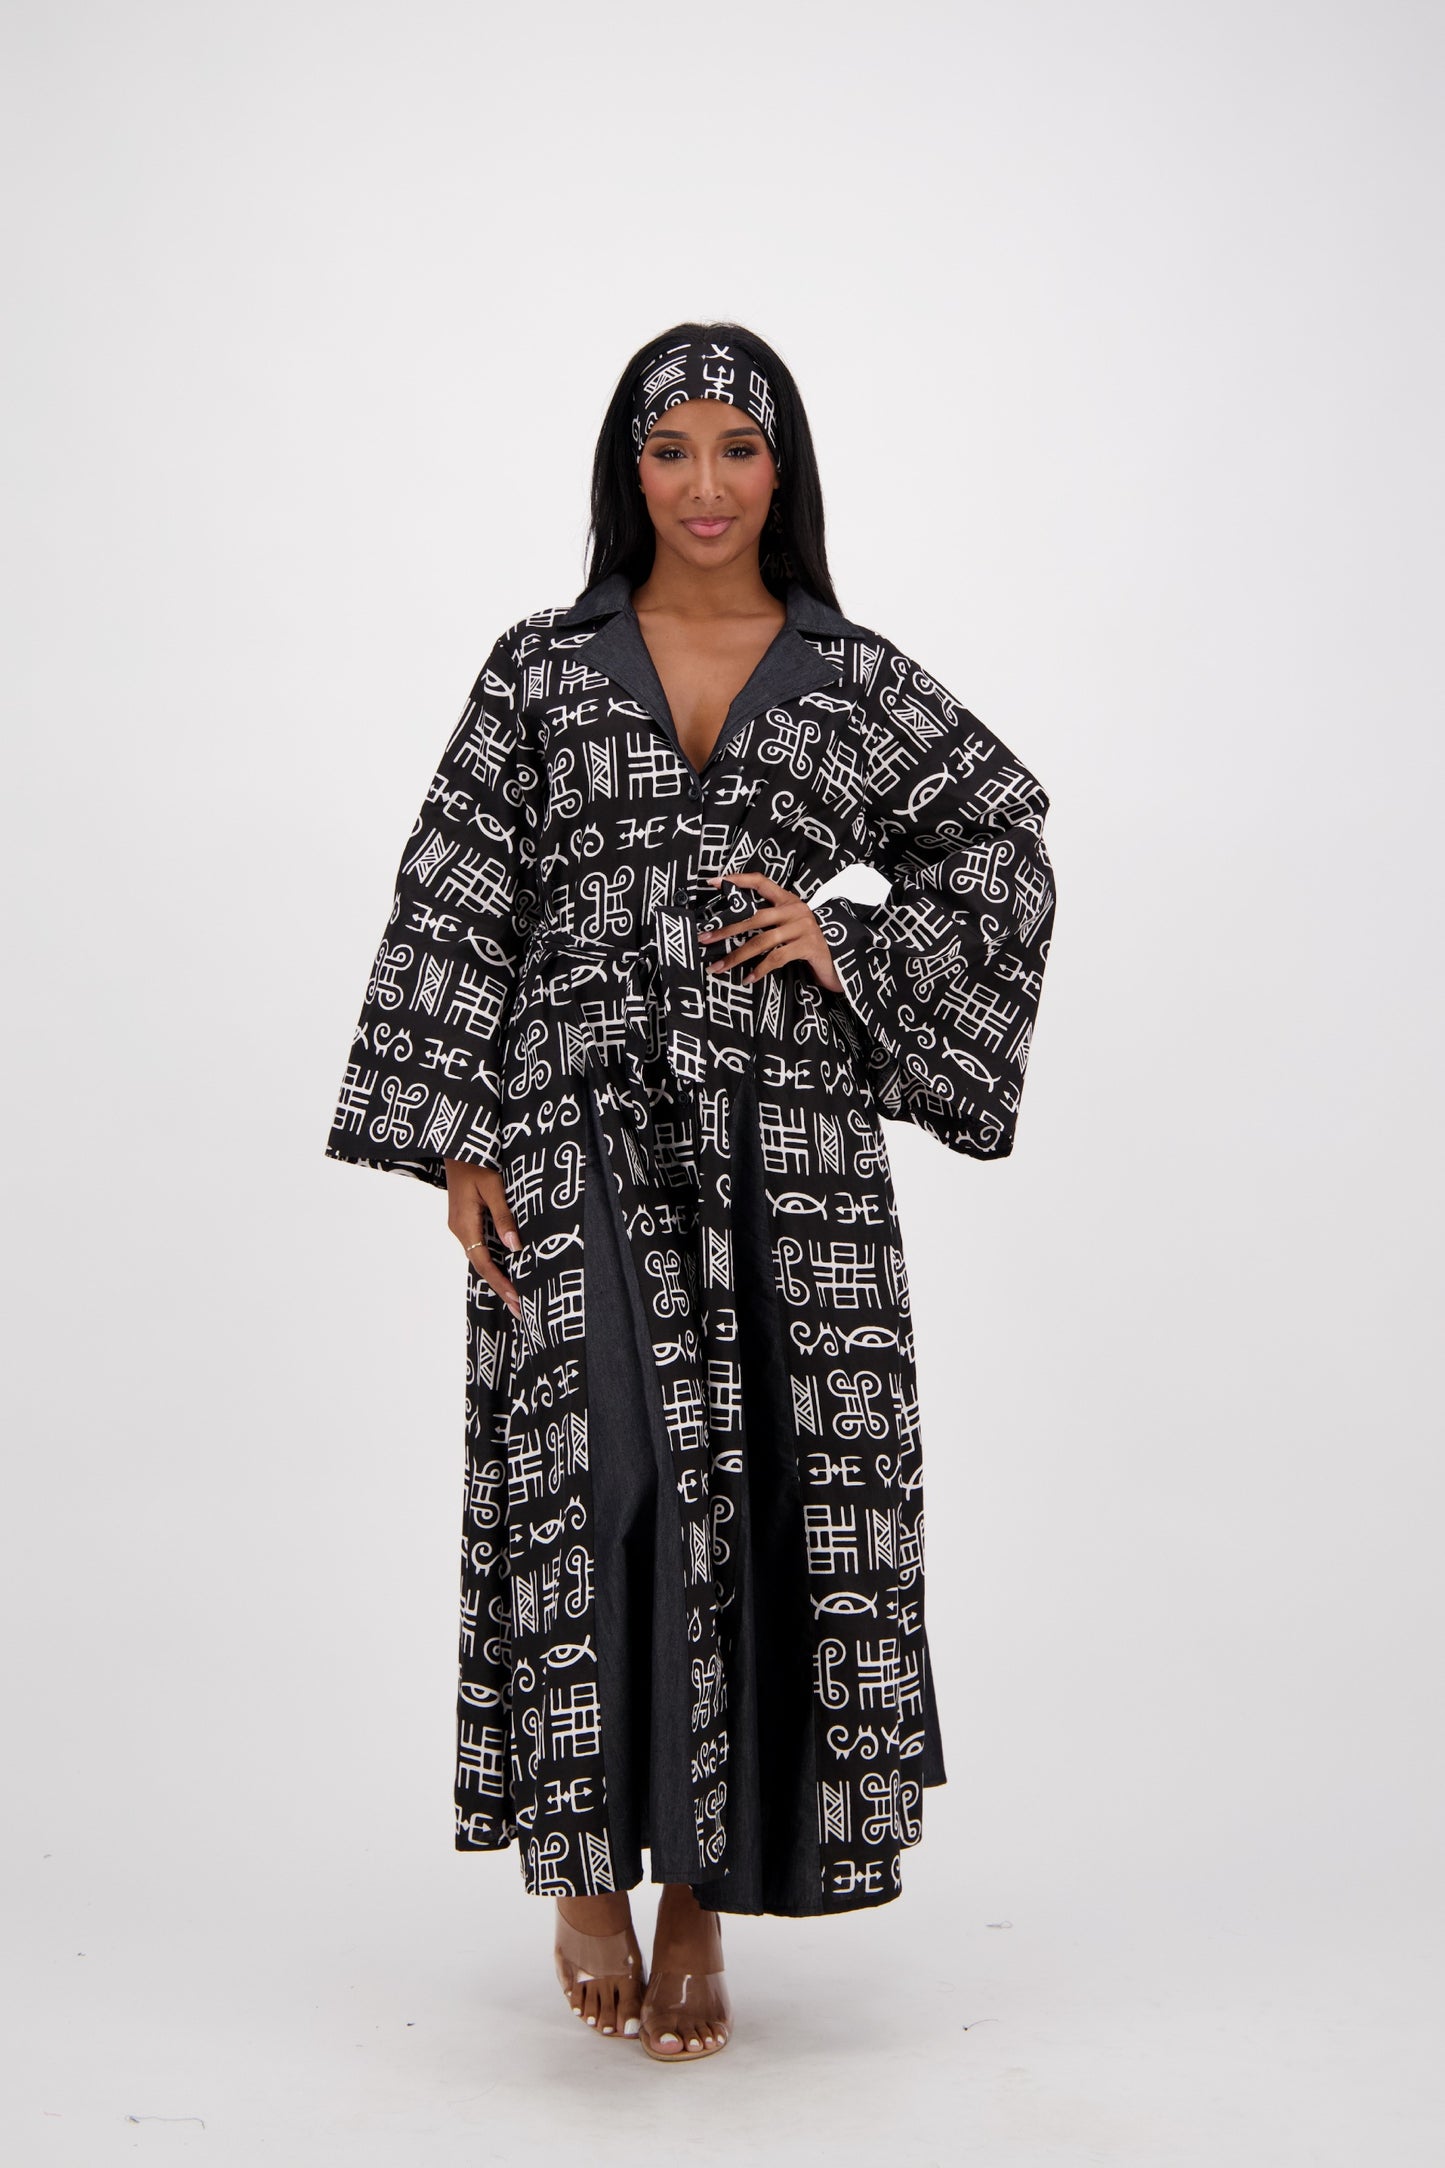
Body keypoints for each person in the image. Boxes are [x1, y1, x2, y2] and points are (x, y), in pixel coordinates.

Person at [323, 321, 1057, 2064]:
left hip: (786, 1138)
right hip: (574, 1110)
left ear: (781, 468)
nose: (705, 485)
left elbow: (1002, 837)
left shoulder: (851, 675)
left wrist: (846, 943)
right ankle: (585, 1870)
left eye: (738, 448)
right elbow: (458, 891)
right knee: (599, 1477)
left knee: (772, 1490)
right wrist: (458, 1136)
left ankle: (704, 1902)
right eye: (672, 451)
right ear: (628, 468)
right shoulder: (541, 667)